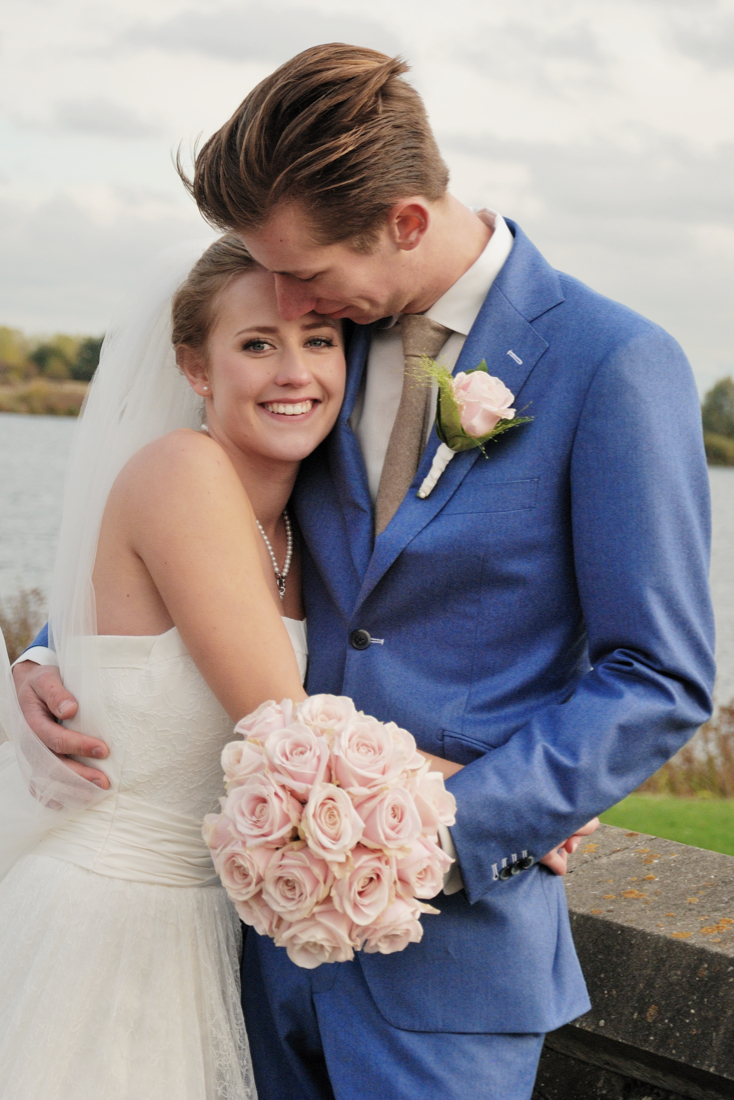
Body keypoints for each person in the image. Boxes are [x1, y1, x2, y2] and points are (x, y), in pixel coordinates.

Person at [13, 44, 715, 1100]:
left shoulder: (613, 364)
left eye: (303, 271)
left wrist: (465, 818)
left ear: (403, 223)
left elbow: (657, 674)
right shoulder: (322, 349)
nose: (286, 296)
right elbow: (218, 530)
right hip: (246, 950)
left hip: (450, 967)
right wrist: (56, 650)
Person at [0, 233, 347, 1098]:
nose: (294, 371)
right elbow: (292, 733)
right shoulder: (179, 472)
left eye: (320, 340)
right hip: (98, 926)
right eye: (257, 343)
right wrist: (512, 800)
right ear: (196, 369)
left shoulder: (312, 519)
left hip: (201, 939)